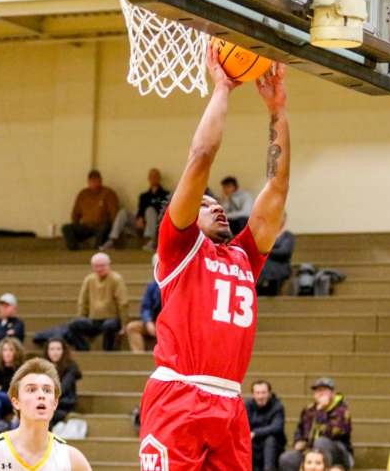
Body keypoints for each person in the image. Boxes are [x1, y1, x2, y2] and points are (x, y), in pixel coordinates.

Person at [136, 51, 289, 471]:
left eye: (218, 202)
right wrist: (222, 88)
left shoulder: (244, 255)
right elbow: (201, 158)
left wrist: (277, 111)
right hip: (178, 395)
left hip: (228, 400)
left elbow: (277, 187)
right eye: (205, 204)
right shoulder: (178, 248)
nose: (217, 206)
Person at [0, 358, 92, 471]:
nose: (41, 395)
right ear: (16, 402)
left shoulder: (72, 460)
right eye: (31, 389)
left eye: (47, 390)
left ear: (55, 403)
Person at [279, 378, 353, 471]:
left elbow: (333, 433)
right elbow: (300, 429)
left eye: (324, 391)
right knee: (287, 459)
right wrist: (298, 441)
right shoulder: (309, 410)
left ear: (332, 393)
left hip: (338, 454)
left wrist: (321, 411)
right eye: (318, 391)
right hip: (311, 451)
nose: (320, 393)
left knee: (321, 442)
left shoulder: (341, 410)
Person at [67, 252, 129, 351]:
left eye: (102, 266)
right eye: (96, 266)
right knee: (74, 325)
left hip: (112, 319)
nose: (99, 269)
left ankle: (108, 353)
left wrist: (124, 325)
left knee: (109, 326)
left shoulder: (116, 279)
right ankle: (83, 350)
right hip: (93, 320)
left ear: (108, 265)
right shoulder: (89, 279)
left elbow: (123, 303)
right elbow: (83, 302)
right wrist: (81, 317)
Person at [101, 168, 169, 251]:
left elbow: (164, 212)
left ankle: (152, 240)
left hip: (157, 225)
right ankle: (112, 240)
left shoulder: (166, 195)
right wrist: (140, 218)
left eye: (155, 176)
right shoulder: (144, 196)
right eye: (151, 176)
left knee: (150, 210)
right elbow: (140, 209)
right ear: (149, 179)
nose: (153, 178)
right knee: (123, 212)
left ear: (159, 178)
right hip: (142, 224)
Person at [62, 169, 120, 251]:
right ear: (88, 182)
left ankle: (96, 248)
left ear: (101, 181)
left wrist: (112, 226)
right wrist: (76, 224)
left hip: (101, 226)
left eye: (97, 181)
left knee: (104, 228)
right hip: (86, 226)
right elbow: (75, 213)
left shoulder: (108, 193)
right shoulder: (83, 194)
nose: (95, 184)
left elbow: (114, 213)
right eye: (92, 181)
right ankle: (75, 247)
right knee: (66, 228)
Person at [245, 380, 285, 471]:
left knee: (270, 440)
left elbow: (277, 427)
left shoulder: (277, 406)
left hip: (273, 445)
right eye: (257, 393)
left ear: (269, 393)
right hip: (253, 443)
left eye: (263, 393)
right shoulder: (248, 406)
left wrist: (255, 433)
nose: (260, 396)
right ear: (253, 394)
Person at [43, 339, 82, 427]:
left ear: (63, 351)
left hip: (64, 404)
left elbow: (63, 389)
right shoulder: (43, 367)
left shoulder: (71, 367)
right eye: (52, 349)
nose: (55, 352)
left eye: (58, 349)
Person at [256, 216, 295, 297]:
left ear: (284, 220)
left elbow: (284, 252)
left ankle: (266, 283)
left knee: (266, 263)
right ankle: (263, 284)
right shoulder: (266, 234)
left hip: (281, 265)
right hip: (266, 264)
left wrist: (266, 251)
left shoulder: (288, 236)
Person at [125, 268, 162, 353]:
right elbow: (146, 307)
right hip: (154, 322)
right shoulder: (153, 286)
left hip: (172, 325)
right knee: (132, 327)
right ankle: (140, 357)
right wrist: (148, 322)